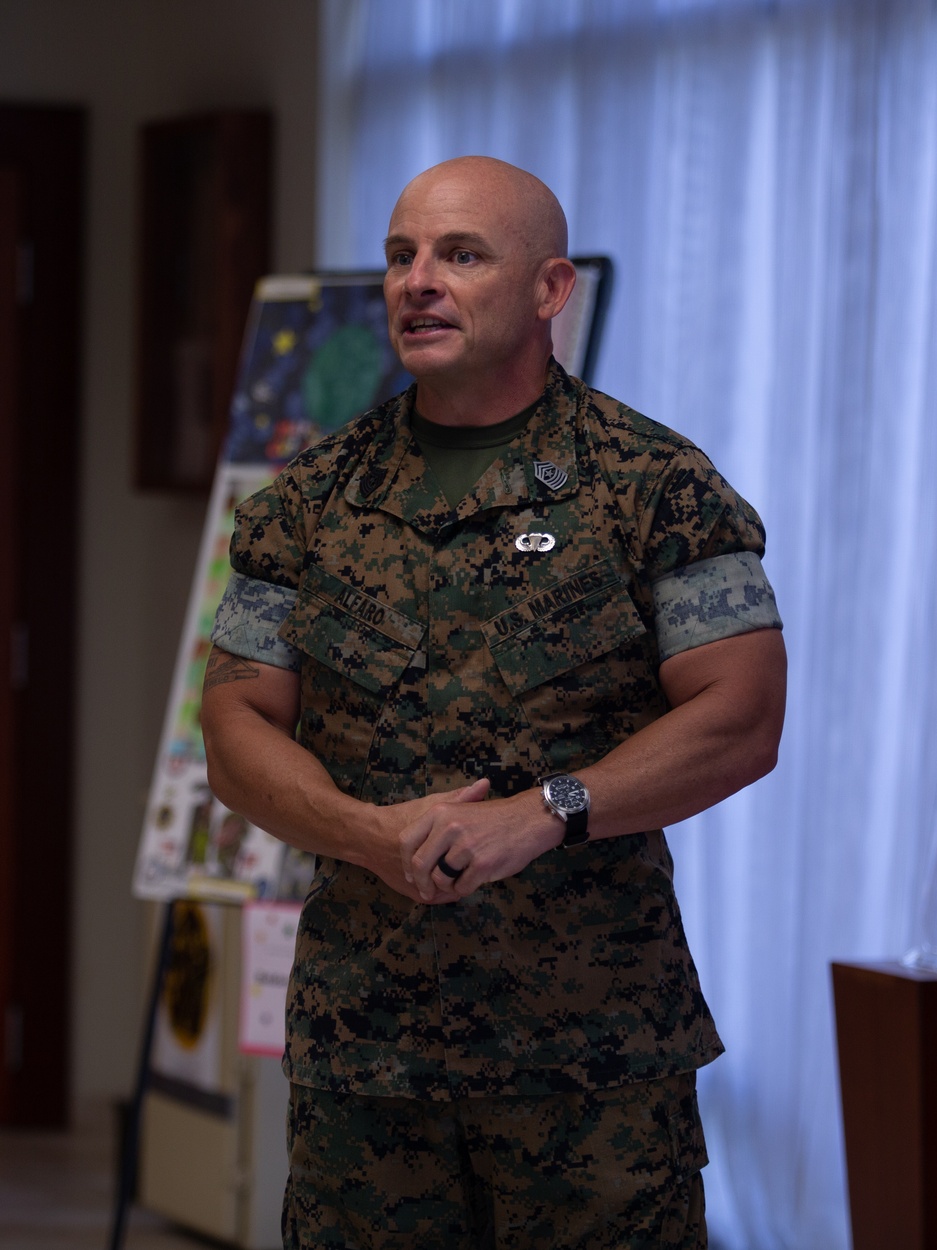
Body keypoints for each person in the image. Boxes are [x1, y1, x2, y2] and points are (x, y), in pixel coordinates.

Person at [200, 155, 786, 1250]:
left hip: (592, 1061)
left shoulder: (656, 485)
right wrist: (365, 833)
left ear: (548, 289)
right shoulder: (307, 502)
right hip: (366, 1055)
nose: (417, 280)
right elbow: (235, 730)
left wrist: (545, 808)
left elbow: (740, 715)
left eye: (460, 255)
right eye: (401, 255)